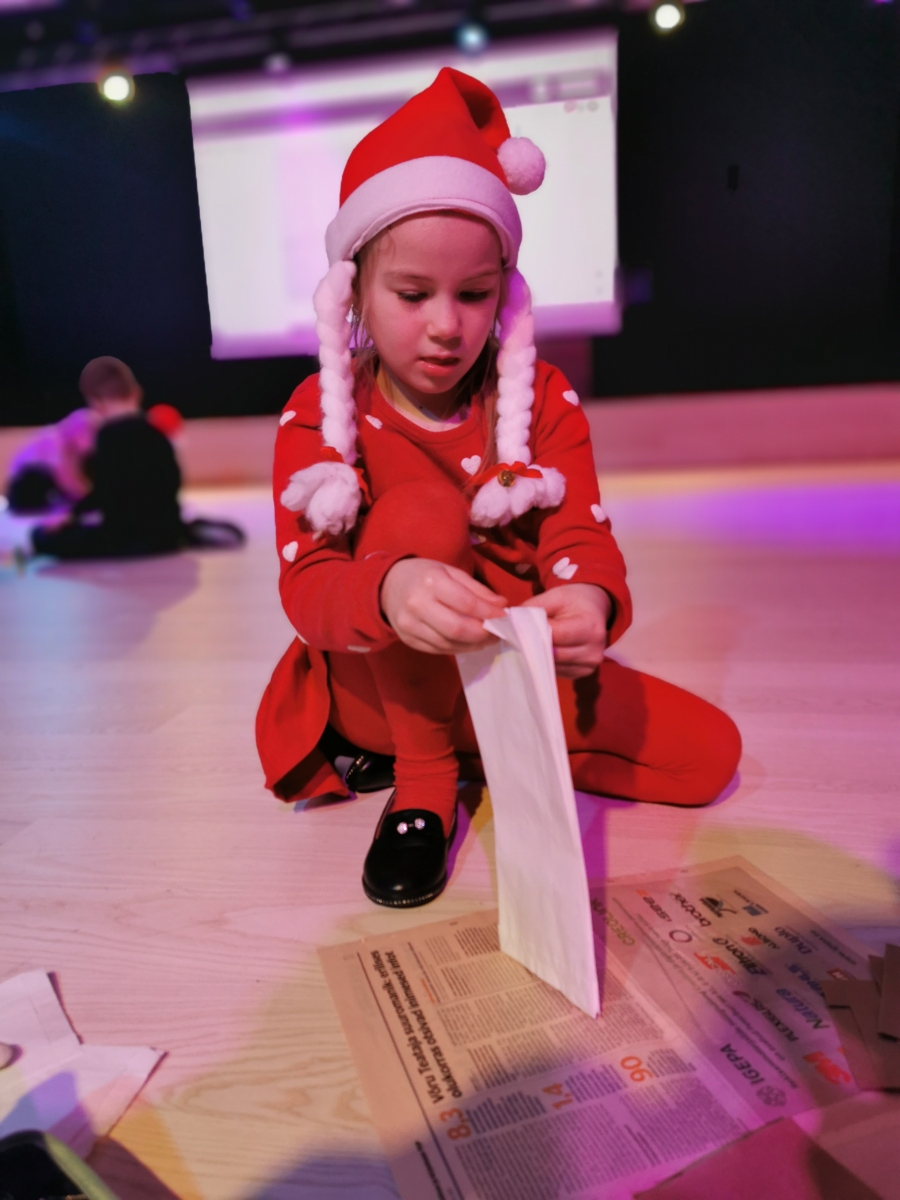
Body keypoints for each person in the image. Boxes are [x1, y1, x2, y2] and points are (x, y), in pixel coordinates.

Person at [255, 69, 742, 909]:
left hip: (505, 672)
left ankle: (483, 743)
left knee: (707, 757)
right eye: (412, 294)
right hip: (379, 690)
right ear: (355, 293)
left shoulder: (543, 396)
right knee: (419, 512)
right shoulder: (317, 412)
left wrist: (588, 599)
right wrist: (389, 587)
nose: (447, 325)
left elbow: (579, 533)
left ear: (505, 293)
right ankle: (423, 778)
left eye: (475, 294)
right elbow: (308, 588)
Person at [28, 357, 243, 560]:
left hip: (127, 540)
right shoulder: (157, 433)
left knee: (41, 536)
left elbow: (104, 493)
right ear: (136, 393)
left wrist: (72, 516)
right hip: (167, 535)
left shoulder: (108, 436)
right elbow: (173, 481)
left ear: (96, 401)